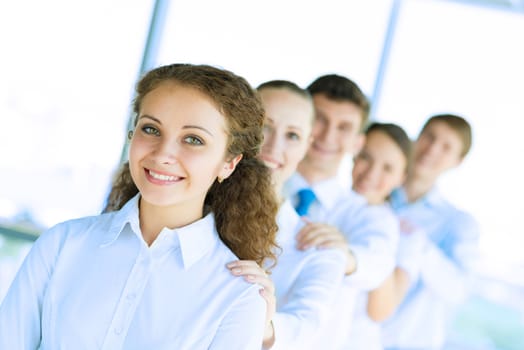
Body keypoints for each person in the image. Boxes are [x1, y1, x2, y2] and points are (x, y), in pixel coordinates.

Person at [0, 63, 280, 349]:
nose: (163, 154)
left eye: (193, 139)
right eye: (151, 129)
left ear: (228, 163)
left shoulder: (238, 295)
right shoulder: (61, 245)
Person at [228, 80, 347, 349]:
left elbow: (308, 327)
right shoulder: (190, 211)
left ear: (307, 145)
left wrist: (266, 326)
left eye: (292, 135)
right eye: (264, 127)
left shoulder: (319, 250)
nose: (273, 146)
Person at [289, 74, 399, 348]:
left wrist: (346, 256)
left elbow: (377, 262)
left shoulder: (368, 215)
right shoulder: (254, 189)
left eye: (344, 127)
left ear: (358, 143)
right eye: (320, 119)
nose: (328, 136)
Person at [380, 113, 480, 350]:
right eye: (429, 137)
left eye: (446, 147)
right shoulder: (375, 197)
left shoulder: (458, 223)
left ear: (458, 161)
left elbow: (458, 290)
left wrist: (420, 246)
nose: (432, 149)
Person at [346, 122, 422, 350]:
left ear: (402, 177)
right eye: (366, 157)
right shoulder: (323, 202)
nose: (371, 173)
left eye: (387, 168)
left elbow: (380, 311)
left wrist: (380, 252)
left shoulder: (406, 235)